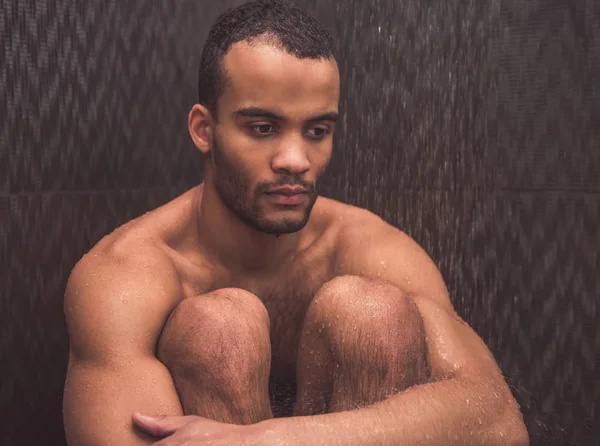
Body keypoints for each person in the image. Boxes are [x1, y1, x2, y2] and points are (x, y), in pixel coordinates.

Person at [62, 1, 529, 444]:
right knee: (217, 329)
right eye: (262, 128)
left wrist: (270, 439)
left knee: (371, 314)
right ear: (205, 130)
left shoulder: (368, 249)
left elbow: (498, 420)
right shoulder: (127, 274)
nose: (295, 160)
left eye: (317, 131)